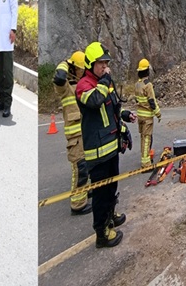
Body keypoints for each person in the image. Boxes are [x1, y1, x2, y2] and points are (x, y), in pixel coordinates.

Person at [76, 42, 136, 248]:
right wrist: (105, 79)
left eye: (106, 63)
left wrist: (125, 116)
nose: (105, 67)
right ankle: (102, 233)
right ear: (90, 64)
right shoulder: (84, 86)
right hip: (97, 153)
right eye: (101, 63)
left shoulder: (104, 83)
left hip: (111, 149)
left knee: (111, 187)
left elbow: (112, 109)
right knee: (100, 196)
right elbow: (95, 101)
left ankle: (111, 216)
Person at [53, 51, 92, 215]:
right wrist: (65, 63)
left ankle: (85, 191)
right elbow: (59, 76)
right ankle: (78, 204)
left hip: (84, 134)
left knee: (87, 166)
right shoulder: (64, 87)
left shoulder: (81, 86)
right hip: (75, 138)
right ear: (74, 68)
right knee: (80, 169)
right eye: (80, 69)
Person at [134, 58, 161, 169]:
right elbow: (152, 101)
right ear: (147, 71)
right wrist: (158, 114)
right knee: (147, 139)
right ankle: (146, 164)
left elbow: (137, 100)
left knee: (143, 138)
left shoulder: (137, 84)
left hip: (140, 116)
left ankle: (145, 157)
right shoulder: (147, 85)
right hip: (147, 117)